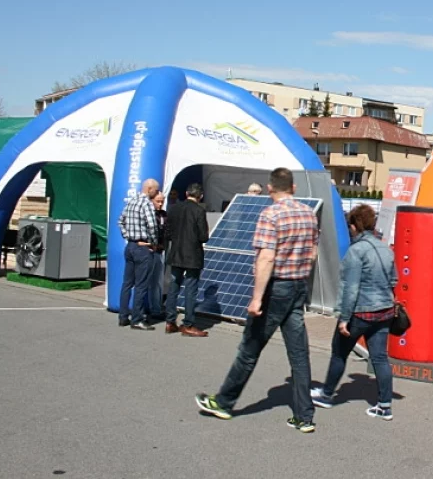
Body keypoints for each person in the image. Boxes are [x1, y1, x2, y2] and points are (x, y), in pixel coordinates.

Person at [195, 167, 319, 432]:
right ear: (294, 188)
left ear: (270, 188)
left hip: (276, 288)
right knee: (299, 355)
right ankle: (304, 416)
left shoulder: (270, 214)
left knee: (249, 349)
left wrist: (256, 299)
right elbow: (312, 253)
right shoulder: (308, 214)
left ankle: (224, 402)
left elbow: (266, 258)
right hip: (298, 287)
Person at [311, 204, 397, 420]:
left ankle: (327, 394)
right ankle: (384, 405)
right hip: (385, 310)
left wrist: (344, 318)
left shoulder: (355, 251)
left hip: (360, 311)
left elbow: (350, 289)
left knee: (339, 352)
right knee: (379, 358)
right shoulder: (386, 248)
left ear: (353, 226)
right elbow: (394, 279)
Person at [165, 183, 210, 337]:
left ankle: (170, 321)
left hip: (176, 252)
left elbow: (168, 232)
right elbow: (204, 236)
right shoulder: (199, 210)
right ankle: (188, 324)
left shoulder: (174, 208)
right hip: (192, 255)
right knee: (190, 290)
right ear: (201, 196)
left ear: (186, 193)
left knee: (174, 287)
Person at [118, 179, 160, 330]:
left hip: (130, 245)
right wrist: (153, 243)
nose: (156, 193)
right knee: (141, 285)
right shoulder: (146, 204)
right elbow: (152, 225)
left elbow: (120, 220)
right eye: (156, 190)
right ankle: (137, 318)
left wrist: (127, 235)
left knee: (127, 283)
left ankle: (123, 316)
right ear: (149, 189)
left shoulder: (132, 201)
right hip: (142, 247)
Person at [145, 192, 167, 321]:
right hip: (147, 251)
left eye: (162, 202)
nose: (160, 204)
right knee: (144, 281)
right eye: (158, 201)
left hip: (159, 251)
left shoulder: (163, 215)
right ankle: (141, 308)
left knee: (157, 282)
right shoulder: (147, 214)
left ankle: (156, 309)